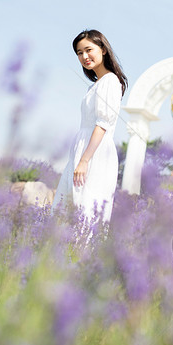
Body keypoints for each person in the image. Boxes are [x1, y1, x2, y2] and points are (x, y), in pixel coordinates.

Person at [52, 29, 128, 223]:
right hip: (83, 150)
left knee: (86, 208)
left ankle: (82, 253)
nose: (84, 56)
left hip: (95, 152)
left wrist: (85, 160)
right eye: (79, 53)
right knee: (67, 206)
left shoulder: (111, 81)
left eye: (88, 49)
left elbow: (102, 124)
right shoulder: (94, 86)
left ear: (102, 49)